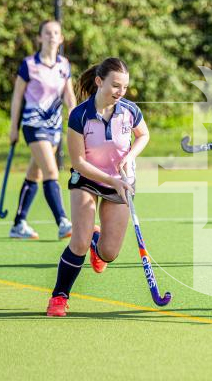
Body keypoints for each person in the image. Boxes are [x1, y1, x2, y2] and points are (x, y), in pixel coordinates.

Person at [46, 57, 150, 317]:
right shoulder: (80, 115)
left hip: (121, 180)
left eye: (124, 88)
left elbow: (144, 135)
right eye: (115, 86)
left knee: (109, 253)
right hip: (87, 179)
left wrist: (130, 157)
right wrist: (110, 180)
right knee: (78, 243)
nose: (120, 92)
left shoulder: (130, 111)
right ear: (99, 81)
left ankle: (97, 241)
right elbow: (78, 161)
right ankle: (59, 296)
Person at [8, 20, 77, 240]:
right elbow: (18, 96)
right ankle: (63, 222)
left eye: (56, 32)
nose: (51, 36)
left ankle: (18, 224)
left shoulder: (64, 65)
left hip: (54, 126)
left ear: (61, 38)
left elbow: (68, 95)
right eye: (47, 33)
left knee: (35, 173)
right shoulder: (29, 65)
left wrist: (75, 117)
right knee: (51, 172)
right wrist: (13, 127)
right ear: (39, 38)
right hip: (33, 124)